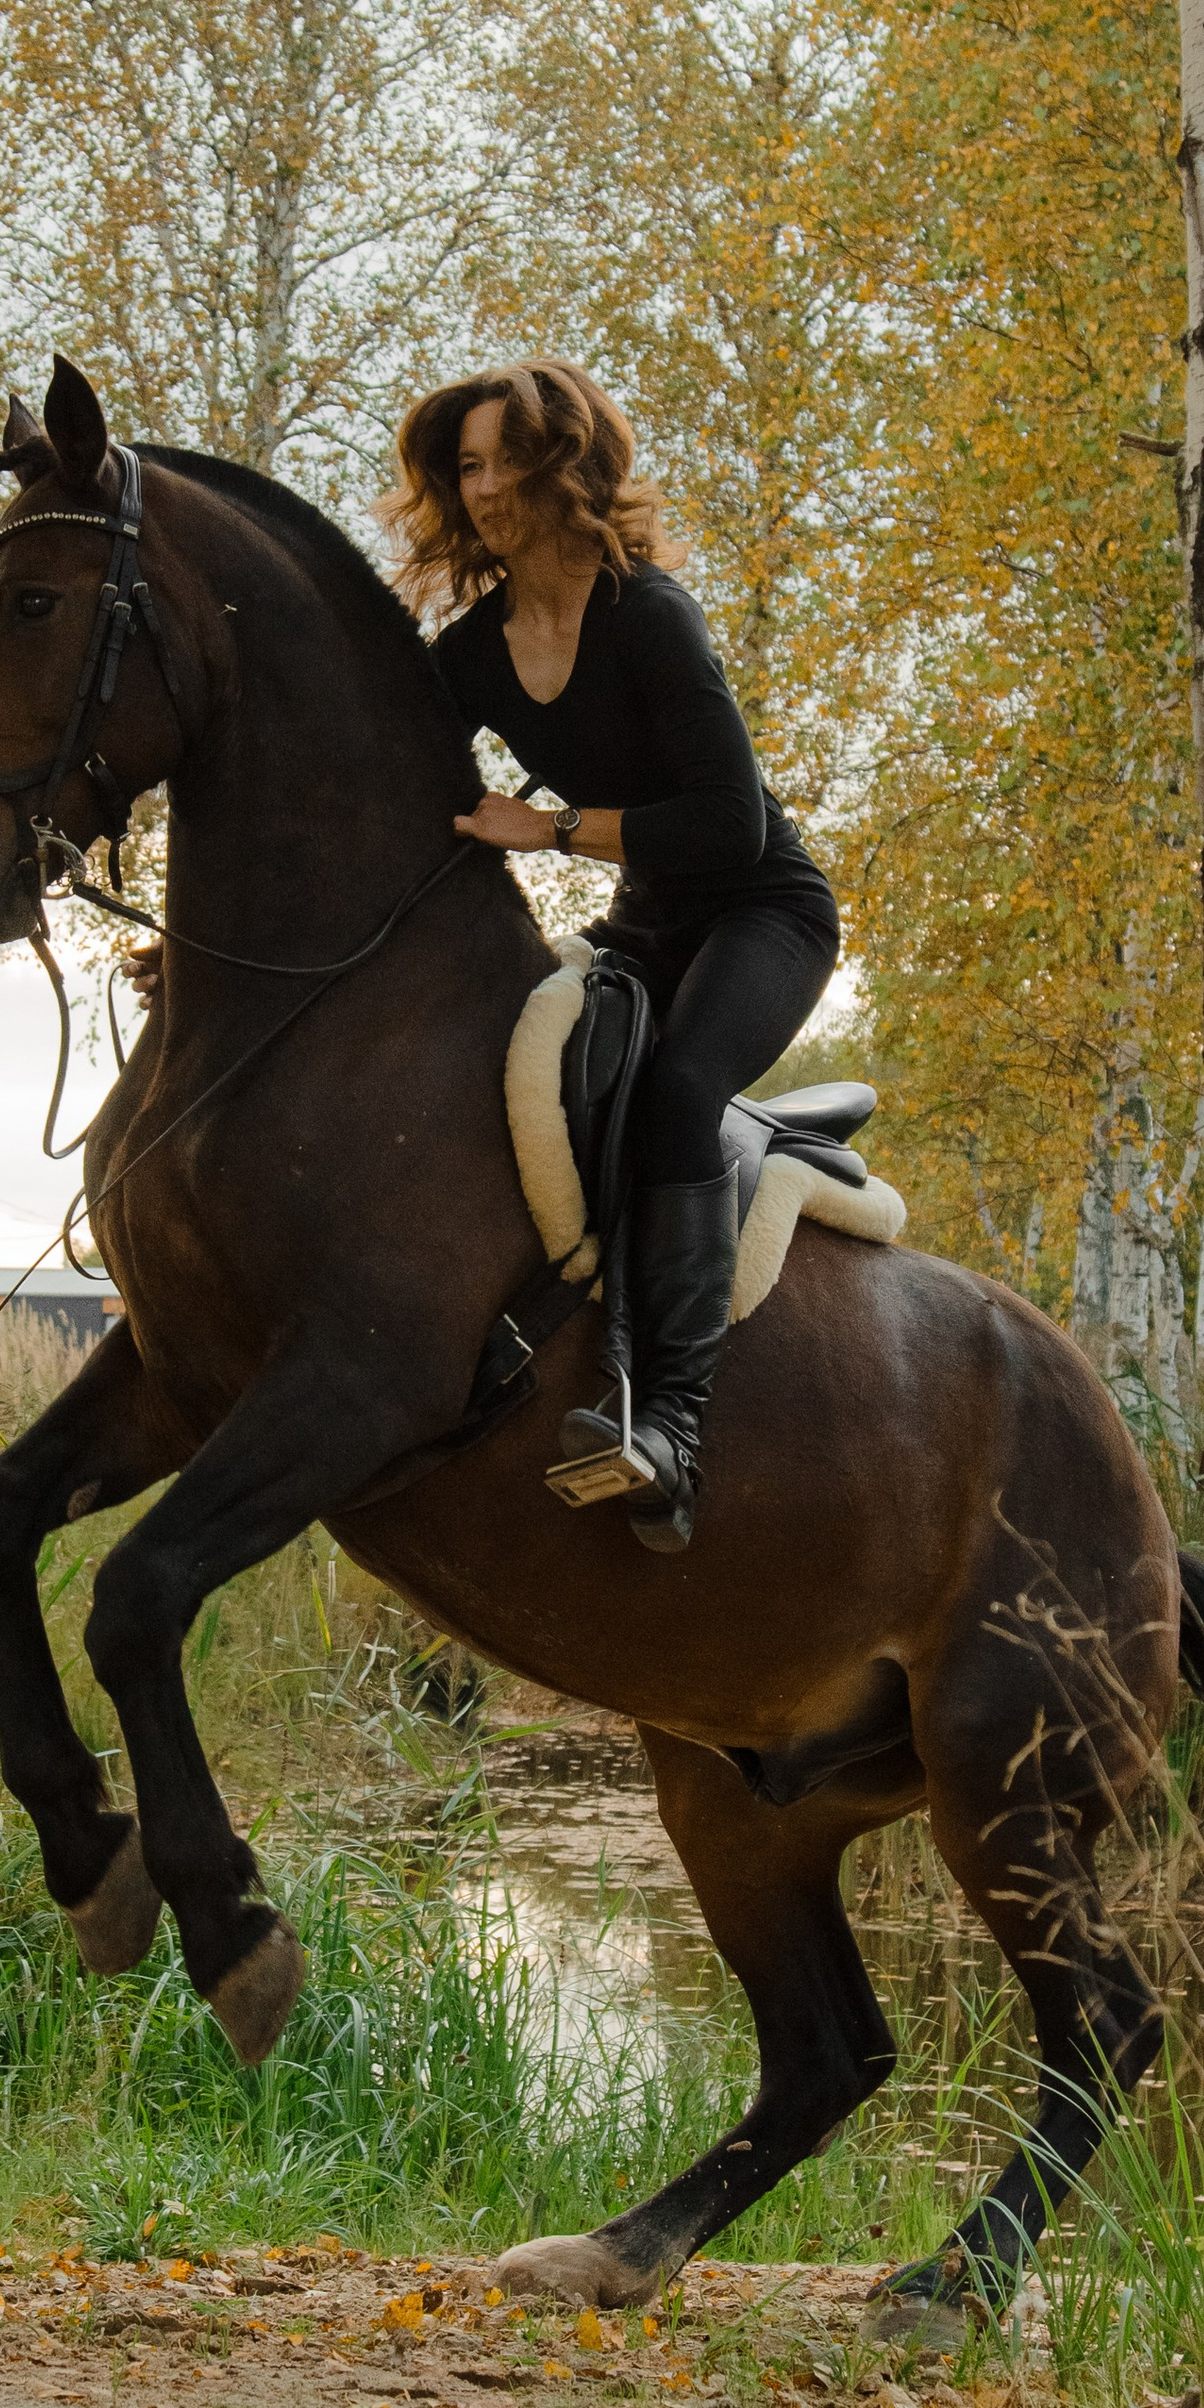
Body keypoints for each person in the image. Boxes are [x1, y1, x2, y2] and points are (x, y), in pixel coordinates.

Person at [387, 359, 839, 1552]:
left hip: (763, 912)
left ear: (568, 468)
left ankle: (670, 1427)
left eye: (507, 461)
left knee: (680, 1088)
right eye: (466, 467)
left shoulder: (648, 615)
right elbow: (394, 796)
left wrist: (549, 829)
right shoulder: (474, 652)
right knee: (518, 1066)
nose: (485, 489)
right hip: (646, 922)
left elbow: (728, 826)